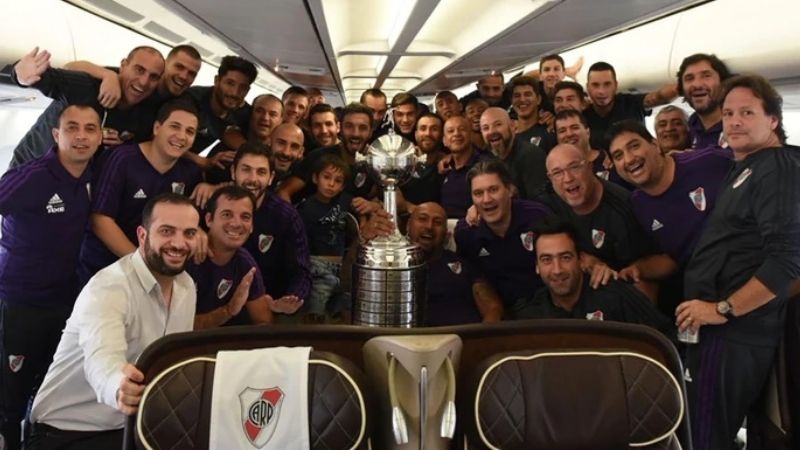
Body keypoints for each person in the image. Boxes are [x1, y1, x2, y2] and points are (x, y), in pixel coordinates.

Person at [675, 75, 800, 450]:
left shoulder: (777, 166)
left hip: (733, 334)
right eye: (728, 113)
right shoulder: (747, 166)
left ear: (773, 120)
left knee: (705, 437)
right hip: (719, 333)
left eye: (747, 112)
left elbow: (788, 260)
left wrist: (723, 309)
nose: (734, 121)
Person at [26, 193, 199, 450]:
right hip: (67, 431)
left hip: (134, 426)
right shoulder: (109, 287)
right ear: (142, 236)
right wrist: (119, 385)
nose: (179, 243)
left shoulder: (186, 285)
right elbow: (103, 359)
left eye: (189, 233)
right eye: (166, 231)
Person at [0, 105, 102, 450]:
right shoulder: (34, 176)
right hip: (19, 301)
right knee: (9, 395)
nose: (81, 136)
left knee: (45, 384)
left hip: (61, 300)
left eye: (90, 129)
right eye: (72, 128)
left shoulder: (90, 177)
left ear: (100, 137)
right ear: (56, 135)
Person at [606, 119, 730, 315]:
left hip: (749, 279)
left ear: (655, 145)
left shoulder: (709, 162)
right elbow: (672, 260)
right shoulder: (637, 206)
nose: (629, 159)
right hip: (701, 298)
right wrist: (639, 269)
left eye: (634, 146)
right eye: (618, 156)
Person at [77, 100, 204, 284]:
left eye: (189, 131)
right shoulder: (122, 159)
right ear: (157, 128)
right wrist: (142, 264)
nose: (181, 136)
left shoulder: (190, 172)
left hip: (152, 272)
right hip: (104, 269)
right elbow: (100, 220)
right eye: (174, 127)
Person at [516, 216, 674, 338]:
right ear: (537, 266)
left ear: (581, 260)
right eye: (546, 260)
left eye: (565, 257)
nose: (557, 270)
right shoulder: (529, 316)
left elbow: (667, 341)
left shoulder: (617, 297)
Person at [10, 46, 165, 166]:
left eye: (153, 77)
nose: (144, 82)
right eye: (139, 70)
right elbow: (50, 78)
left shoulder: (147, 112)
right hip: (30, 166)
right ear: (124, 65)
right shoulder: (88, 86)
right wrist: (21, 76)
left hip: (74, 182)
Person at [542, 143, 655, 293]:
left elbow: (645, 277)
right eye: (557, 173)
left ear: (590, 167)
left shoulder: (623, 209)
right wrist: (580, 256)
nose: (567, 178)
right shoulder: (547, 203)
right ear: (550, 178)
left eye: (575, 167)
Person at [190, 186, 301, 329]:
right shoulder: (186, 254)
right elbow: (174, 328)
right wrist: (228, 311)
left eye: (245, 217)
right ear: (209, 219)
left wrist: (274, 308)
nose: (236, 224)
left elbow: (264, 324)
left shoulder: (245, 263)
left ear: (252, 226)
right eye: (227, 215)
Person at [454, 160, 551, 316]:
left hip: (546, 311)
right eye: (478, 193)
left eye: (493, 190)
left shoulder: (538, 216)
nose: (486, 199)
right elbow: (475, 281)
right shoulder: (466, 233)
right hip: (501, 319)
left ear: (509, 190)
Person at [231, 144, 312, 318]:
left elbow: (301, 272)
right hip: (222, 309)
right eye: (246, 170)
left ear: (271, 178)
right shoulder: (213, 207)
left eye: (261, 172)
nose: (252, 179)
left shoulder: (286, 216)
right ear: (233, 172)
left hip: (271, 310)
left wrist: (291, 299)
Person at [407, 202, 503, 325]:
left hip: (466, 338)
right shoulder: (392, 267)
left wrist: (485, 337)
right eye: (422, 219)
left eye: (438, 222)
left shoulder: (463, 264)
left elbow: (493, 308)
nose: (429, 226)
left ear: (446, 234)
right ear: (408, 225)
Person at [278, 103, 379, 207]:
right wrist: (294, 220)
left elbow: (388, 197)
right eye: (349, 126)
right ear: (340, 127)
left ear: (371, 132)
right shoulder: (318, 157)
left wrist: (374, 205)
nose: (355, 133)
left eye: (362, 128)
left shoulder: (377, 162)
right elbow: (284, 192)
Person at [298, 155, 359, 323]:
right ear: (315, 178)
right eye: (326, 177)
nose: (331, 184)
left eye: (337, 181)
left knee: (343, 304)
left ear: (342, 186)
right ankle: (314, 332)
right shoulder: (307, 207)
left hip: (342, 264)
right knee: (319, 302)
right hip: (318, 263)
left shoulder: (345, 200)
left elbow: (362, 211)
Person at [184, 55, 257, 172]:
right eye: (230, 83)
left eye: (242, 88)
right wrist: (202, 161)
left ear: (247, 91)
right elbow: (163, 139)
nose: (235, 93)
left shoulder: (244, 113)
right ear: (217, 80)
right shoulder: (192, 99)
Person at [584, 61, 678, 150]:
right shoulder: (582, 116)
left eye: (607, 84)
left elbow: (660, 97)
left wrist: (687, 85)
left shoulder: (631, 103)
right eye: (595, 85)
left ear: (616, 85)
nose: (601, 91)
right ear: (588, 87)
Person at [480, 107, 548, 199]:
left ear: (512, 126)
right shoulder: (487, 160)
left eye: (498, 125)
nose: (491, 131)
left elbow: (541, 204)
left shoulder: (531, 156)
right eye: (486, 128)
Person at [553, 109, 628, 188]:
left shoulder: (611, 161)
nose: (569, 134)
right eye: (562, 131)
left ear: (587, 132)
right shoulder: (556, 170)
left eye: (574, 127)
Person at [440, 115, 493, 218]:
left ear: (470, 135)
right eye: (451, 131)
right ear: (444, 141)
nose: (457, 134)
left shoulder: (486, 164)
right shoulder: (443, 168)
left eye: (462, 129)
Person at [676, 53, 732, 149]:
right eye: (689, 78)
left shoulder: (737, 124)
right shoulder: (691, 125)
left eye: (706, 76)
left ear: (723, 84)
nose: (697, 84)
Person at [508, 76, 556, 151]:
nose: (522, 99)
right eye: (517, 95)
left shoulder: (549, 132)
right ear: (512, 101)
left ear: (538, 99)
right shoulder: (507, 136)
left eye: (527, 94)